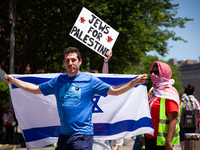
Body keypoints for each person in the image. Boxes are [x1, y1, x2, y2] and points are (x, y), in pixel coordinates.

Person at [4, 47, 147, 150]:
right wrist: (14, 81)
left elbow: (114, 91)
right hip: (64, 135)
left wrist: (134, 82)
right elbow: (35, 89)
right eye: (67, 60)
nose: (70, 63)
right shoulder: (58, 81)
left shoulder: (90, 80)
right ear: (64, 63)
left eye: (73, 60)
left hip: (82, 135)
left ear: (80, 61)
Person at [145, 61, 180, 150]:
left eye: (156, 72)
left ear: (164, 73)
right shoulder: (152, 91)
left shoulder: (169, 94)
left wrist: (168, 142)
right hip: (149, 137)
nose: (153, 74)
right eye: (151, 72)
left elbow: (173, 119)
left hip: (162, 141)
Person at [179, 84, 200, 150]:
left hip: (183, 127)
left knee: (184, 147)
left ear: (184, 92)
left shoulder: (180, 103)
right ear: (193, 92)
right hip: (194, 127)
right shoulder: (197, 103)